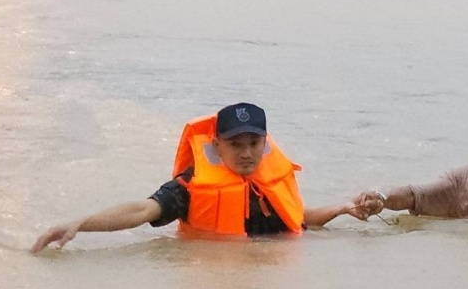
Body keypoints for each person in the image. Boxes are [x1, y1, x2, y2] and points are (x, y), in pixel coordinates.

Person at [31, 103, 366, 253]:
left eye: (253, 143)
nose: (246, 153)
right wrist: (81, 223)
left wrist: (341, 209)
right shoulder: (190, 188)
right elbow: (141, 211)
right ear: (217, 145)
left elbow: (297, 219)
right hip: (216, 281)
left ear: (265, 143)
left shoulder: (271, 180)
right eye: (235, 144)